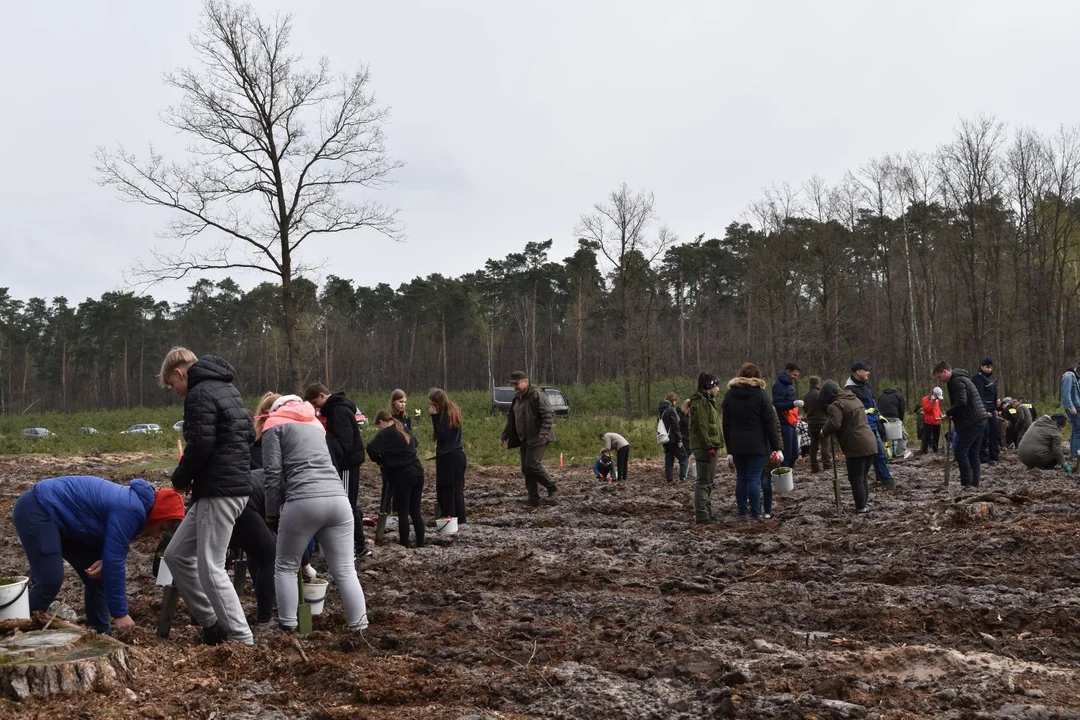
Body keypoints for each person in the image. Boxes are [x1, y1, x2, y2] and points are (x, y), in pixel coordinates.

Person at [160, 347, 256, 647]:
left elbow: (200, 444)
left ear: (179, 373)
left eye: (172, 385)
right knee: (176, 555)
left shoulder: (199, 395)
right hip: (225, 487)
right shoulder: (229, 390)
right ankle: (211, 624)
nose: (175, 392)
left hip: (220, 490)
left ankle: (242, 640)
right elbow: (249, 437)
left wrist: (181, 479)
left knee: (210, 566)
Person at [12, 476, 184, 634]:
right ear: (157, 515)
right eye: (161, 528)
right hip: (38, 508)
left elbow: (109, 545)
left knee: (98, 577)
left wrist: (105, 560)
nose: (156, 535)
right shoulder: (132, 509)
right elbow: (115, 561)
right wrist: (120, 614)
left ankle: (101, 634)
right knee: (50, 579)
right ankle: (14, 632)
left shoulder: (135, 506)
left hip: (67, 523)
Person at [262, 394, 369, 632]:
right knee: (345, 570)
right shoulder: (314, 424)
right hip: (339, 501)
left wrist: (272, 515)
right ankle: (360, 627)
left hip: (303, 500)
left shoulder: (274, 425)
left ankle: (288, 626)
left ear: (274, 410)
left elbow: (272, 474)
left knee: (286, 567)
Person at [303, 384, 371, 558]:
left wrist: (325, 438)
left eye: (315, 402)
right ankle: (355, 545)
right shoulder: (337, 408)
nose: (316, 407)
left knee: (347, 506)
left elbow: (344, 443)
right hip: (346, 464)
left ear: (321, 395)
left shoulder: (338, 411)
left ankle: (356, 546)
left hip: (346, 465)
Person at [228, 405, 278, 630]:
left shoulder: (270, 472)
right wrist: (305, 564)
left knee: (257, 553)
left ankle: (202, 617)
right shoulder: (287, 482)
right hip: (243, 505)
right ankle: (265, 619)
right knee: (269, 556)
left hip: (227, 501)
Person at [722, 363, 782, 522]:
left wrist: (729, 449)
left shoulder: (729, 395)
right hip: (757, 445)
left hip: (736, 445)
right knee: (754, 480)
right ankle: (756, 513)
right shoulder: (761, 395)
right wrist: (776, 447)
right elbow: (770, 423)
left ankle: (742, 513)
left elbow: (726, 424)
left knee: (741, 478)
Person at [368, 410, 426, 547]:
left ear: (381, 422)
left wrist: (382, 461)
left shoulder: (386, 433)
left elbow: (371, 449)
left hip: (404, 474)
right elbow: (415, 443)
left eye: (378, 427)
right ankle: (421, 543)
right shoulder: (403, 428)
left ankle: (404, 543)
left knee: (403, 511)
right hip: (418, 471)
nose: (379, 430)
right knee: (415, 511)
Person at [500, 371, 558, 507]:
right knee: (526, 469)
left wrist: (544, 431)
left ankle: (552, 487)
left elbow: (548, 414)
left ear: (526, 381)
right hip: (524, 438)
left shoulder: (537, 395)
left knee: (532, 465)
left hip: (539, 437)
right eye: (513, 384)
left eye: (517, 383)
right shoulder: (518, 398)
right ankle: (533, 499)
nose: (515, 387)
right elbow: (512, 420)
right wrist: (505, 435)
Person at [819, 380, 878, 513]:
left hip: (856, 444)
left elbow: (834, 424)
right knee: (862, 477)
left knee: (855, 478)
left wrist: (824, 431)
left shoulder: (837, 404)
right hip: (870, 441)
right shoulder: (854, 399)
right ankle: (863, 504)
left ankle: (861, 507)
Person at [934, 361, 988, 488]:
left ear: (945, 371)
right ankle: (974, 485)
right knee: (973, 452)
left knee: (960, 451)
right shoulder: (961, 379)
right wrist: (952, 415)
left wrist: (948, 413)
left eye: (939, 377)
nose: (940, 380)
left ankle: (967, 484)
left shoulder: (956, 382)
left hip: (972, 421)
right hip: (980, 419)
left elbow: (962, 402)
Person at [845, 361, 893, 489]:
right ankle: (886, 481)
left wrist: (879, 415)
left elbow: (872, 403)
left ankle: (882, 479)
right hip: (862, 427)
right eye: (865, 370)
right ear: (857, 372)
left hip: (873, 423)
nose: (868, 373)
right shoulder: (849, 390)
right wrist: (866, 412)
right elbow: (851, 409)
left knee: (880, 454)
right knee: (877, 454)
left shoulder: (866, 385)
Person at [689, 372, 724, 524]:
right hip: (705, 447)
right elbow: (702, 427)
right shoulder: (701, 403)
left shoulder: (707, 402)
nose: (718, 389)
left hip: (710, 445)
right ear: (709, 387)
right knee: (703, 481)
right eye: (716, 385)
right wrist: (708, 445)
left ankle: (707, 512)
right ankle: (702, 515)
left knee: (708, 481)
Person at [429, 388, 467, 524]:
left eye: (433, 404)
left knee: (447, 491)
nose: (431, 408)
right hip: (458, 456)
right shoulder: (453, 412)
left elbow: (442, 435)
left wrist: (434, 418)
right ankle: (460, 520)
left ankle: (449, 519)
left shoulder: (445, 416)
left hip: (449, 458)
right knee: (457, 490)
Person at [771, 363, 802, 469]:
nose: (796, 378)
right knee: (787, 454)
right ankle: (784, 475)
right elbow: (777, 405)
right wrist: (793, 404)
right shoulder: (779, 385)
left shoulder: (789, 385)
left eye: (797, 375)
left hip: (792, 422)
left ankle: (789, 472)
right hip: (784, 423)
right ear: (788, 372)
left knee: (794, 454)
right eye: (794, 375)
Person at [973, 358, 1000, 465]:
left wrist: (997, 400)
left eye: (990, 367)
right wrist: (984, 410)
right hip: (983, 411)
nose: (989, 369)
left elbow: (992, 393)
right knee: (984, 434)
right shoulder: (977, 378)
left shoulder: (991, 379)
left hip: (992, 410)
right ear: (981, 366)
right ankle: (982, 457)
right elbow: (979, 395)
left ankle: (994, 456)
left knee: (995, 433)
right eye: (986, 367)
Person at [803, 376, 830, 473]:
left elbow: (805, 409)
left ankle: (814, 466)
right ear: (818, 383)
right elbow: (826, 408)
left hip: (811, 423)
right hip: (822, 422)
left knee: (813, 445)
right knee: (825, 445)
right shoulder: (820, 394)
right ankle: (827, 465)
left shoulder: (805, 396)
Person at [658, 393, 687, 483]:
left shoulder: (660, 411)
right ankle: (682, 477)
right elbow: (675, 426)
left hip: (664, 437)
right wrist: (679, 439)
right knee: (684, 458)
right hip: (673, 439)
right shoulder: (671, 410)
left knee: (669, 459)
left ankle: (669, 479)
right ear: (673, 400)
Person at [876, 385, 907, 458]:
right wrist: (900, 421)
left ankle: (881, 455)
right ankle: (899, 454)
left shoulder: (882, 395)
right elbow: (901, 410)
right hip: (893, 417)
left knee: (882, 436)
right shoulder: (899, 396)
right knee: (903, 436)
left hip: (881, 418)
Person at [1062, 363, 1080, 465]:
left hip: (1076, 408)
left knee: (1075, 431)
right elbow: (1066, 393)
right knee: (1078, 432)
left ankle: (1073, 454)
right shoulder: (1069, 376)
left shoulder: (1075, 377)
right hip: (1074, 408)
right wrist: (1071, 407)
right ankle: (1075, 455)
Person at [920, 387, 944, 454]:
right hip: (929, 421)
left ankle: (935, 450)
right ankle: (925, 451)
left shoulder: (937, 400)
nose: (937, 398)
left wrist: (940, 414)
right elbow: (927, 409)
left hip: (937, 420)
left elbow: (937, 408)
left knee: (936, 437)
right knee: (927, 437)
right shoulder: (925, 399)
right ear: (934, 394)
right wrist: (931, 401)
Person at [679, 399, 694, 481]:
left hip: (688, 438)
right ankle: (683, 476)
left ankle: (683, 475)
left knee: (686, 458)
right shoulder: (683, 416)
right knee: (685, 458)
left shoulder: (687, 415)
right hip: (685, 438)